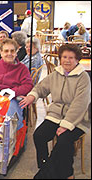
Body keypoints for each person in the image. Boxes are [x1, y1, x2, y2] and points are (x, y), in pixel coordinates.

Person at [19, 44, 91, 179]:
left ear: (77, 60)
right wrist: (31, 96)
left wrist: (66, 124)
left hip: (78, 120)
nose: (67, 60)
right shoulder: (56, 74)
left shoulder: (83, 78)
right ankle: (46, 167)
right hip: (56, 115)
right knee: (39, 135)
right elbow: (41, 88)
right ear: (60, 58)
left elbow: (80, 105)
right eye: (64, 57)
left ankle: (58, 174)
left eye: (71, 58)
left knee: (64, 140)